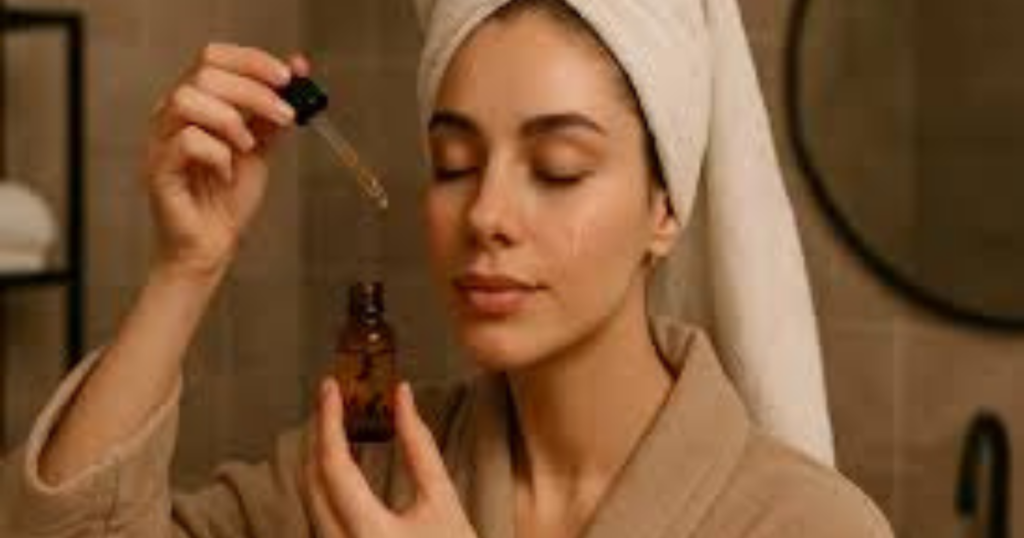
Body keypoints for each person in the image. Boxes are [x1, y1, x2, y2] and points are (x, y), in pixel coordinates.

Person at [1, 0, 894, 536]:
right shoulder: (362, 471)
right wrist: (186, 267)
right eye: (455, 165)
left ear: (665, 209)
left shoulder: (807, 525)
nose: (487, 215)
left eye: (558, 169)